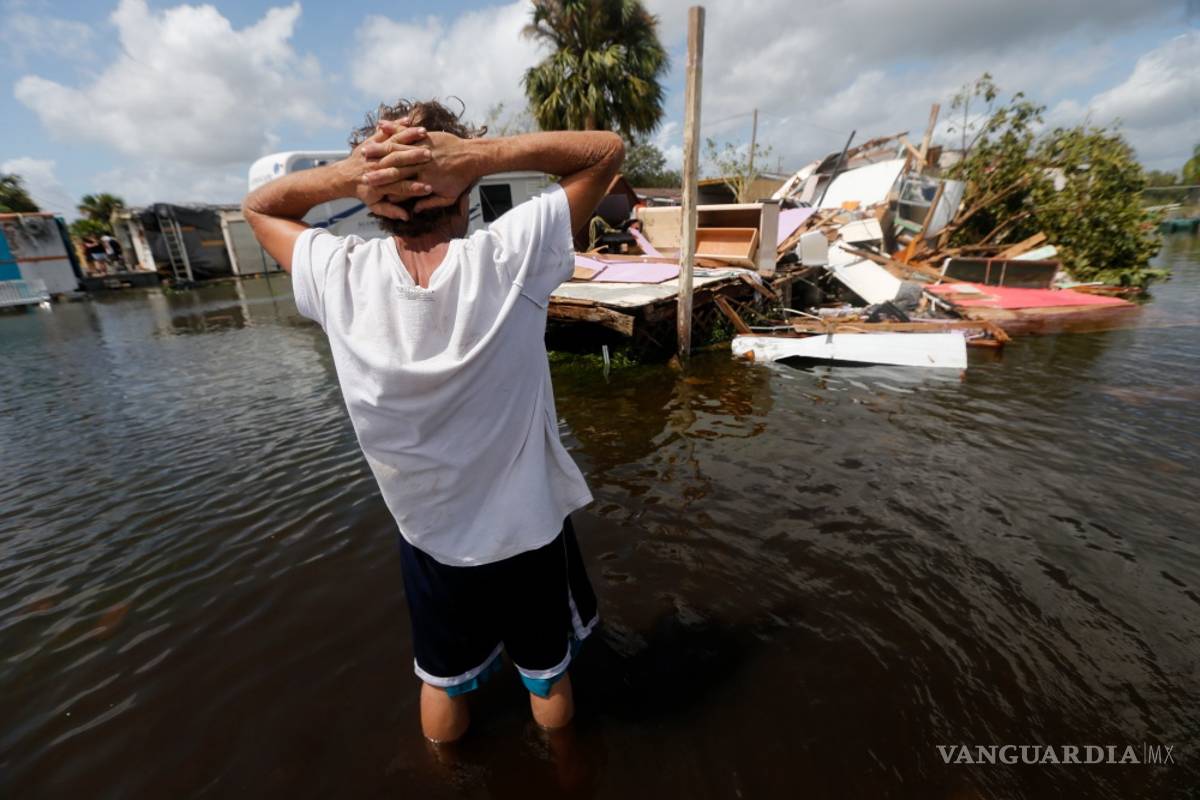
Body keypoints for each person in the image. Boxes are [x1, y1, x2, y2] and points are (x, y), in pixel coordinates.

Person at [242, 100, 624, 743]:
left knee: (441, 680)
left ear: (374, 195)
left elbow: (261, 205)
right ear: (461, 185)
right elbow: (605, 150)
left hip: (430, 540)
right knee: (548, 678)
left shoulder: (337, 275)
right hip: (526, 535)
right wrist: (473, 157)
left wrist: (348, 174)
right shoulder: (510, 259)